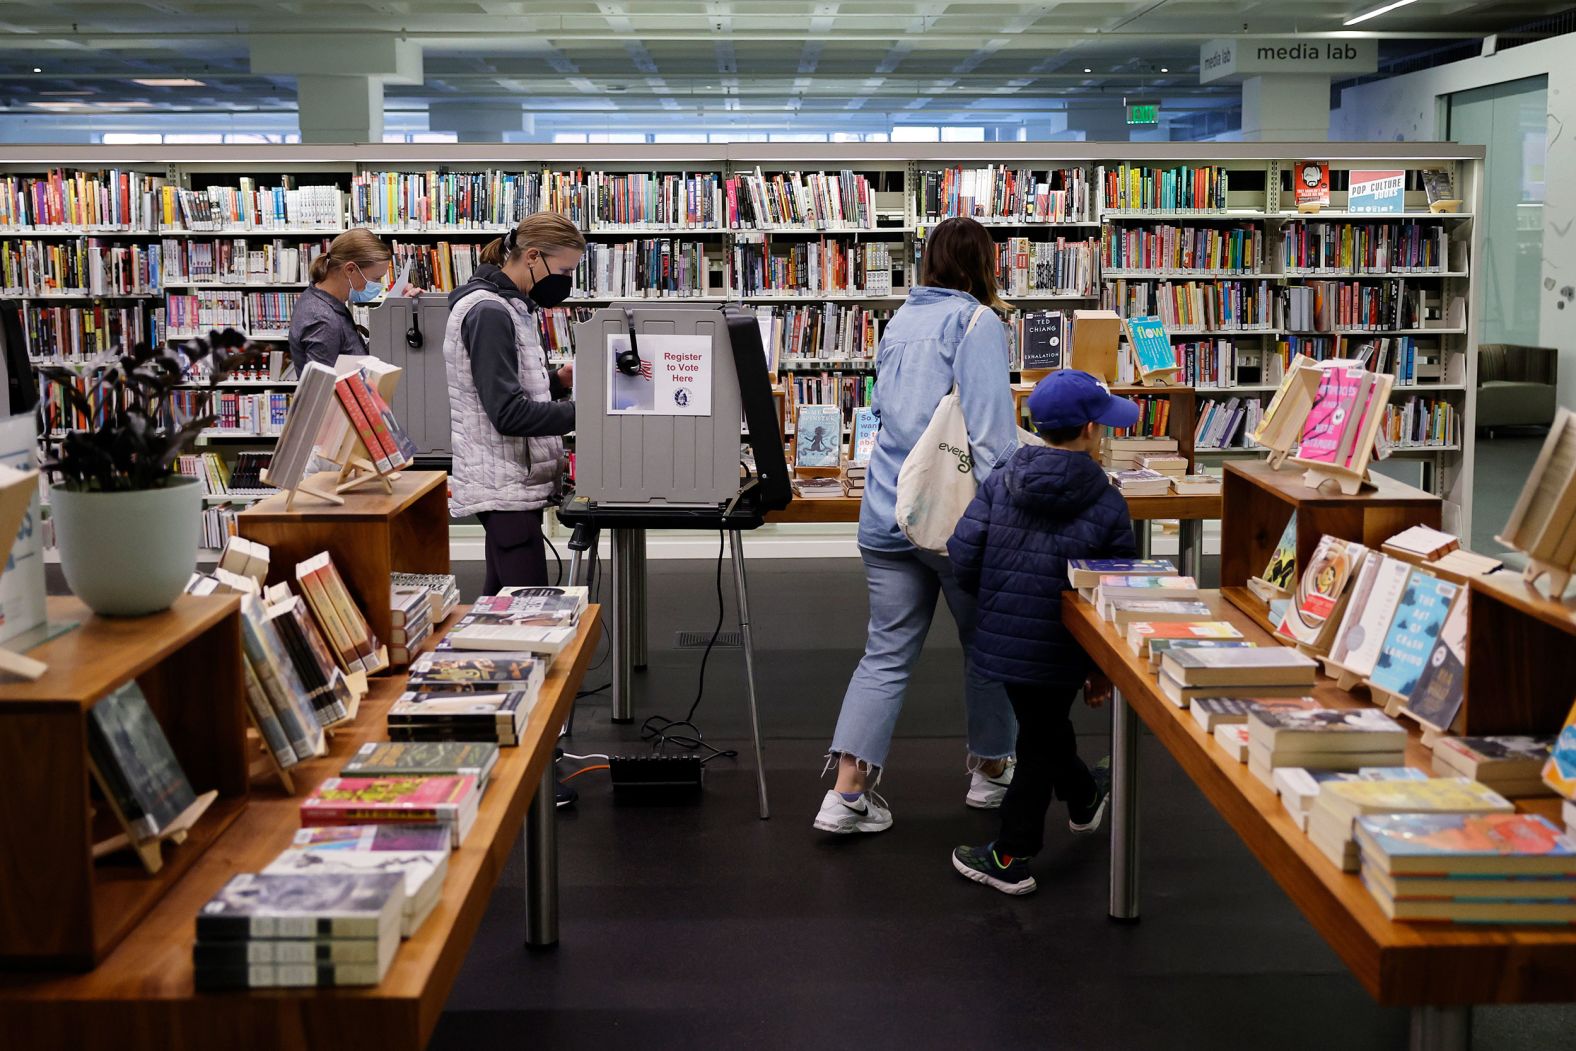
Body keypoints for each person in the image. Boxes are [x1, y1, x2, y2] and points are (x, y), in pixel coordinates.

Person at [813, 216, 1020, 835]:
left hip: (885, 510)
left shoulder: (900, 320)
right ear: (984, 264)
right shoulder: (978, 323)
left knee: (885, 652)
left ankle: (845, 796)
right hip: (954, 521)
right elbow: (989, 440)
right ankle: (989, 770)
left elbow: (884, 415)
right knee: (986, 645)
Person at [945, 369, 1141, 895]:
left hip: (1004, 634)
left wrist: (994, 606)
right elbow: (1112, 591)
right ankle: (1013, 854)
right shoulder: (1107, 502)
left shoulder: (1001, 480)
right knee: (1041, 735)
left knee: (1041, 727)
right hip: (1065, 644)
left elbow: (963, 554)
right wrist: (1101, 667)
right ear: (1091, 431)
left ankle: (1081, 795)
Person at [443, 212, 586, 594]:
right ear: (533, 256)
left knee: (498, 600)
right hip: (504, 481)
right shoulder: (489, 312)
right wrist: (587, 415)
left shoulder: (512, 307)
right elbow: (507, 413)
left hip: (509, 480)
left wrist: (557, 382)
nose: (566, 282)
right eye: (565, 270)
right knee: (529, 608)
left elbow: (504, 390)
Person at [288, 228, 395, 375]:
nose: (379, 285)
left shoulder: (326, 301)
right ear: (350, 269)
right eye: (376, 278)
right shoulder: (322, 320)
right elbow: (321, 391)